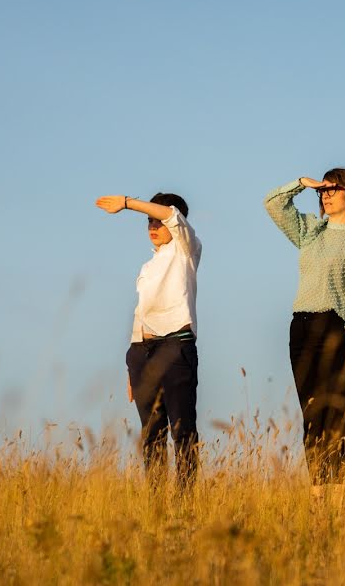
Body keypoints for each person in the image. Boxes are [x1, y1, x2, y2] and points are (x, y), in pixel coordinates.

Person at [264, 168, 345, 504]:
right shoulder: (310, 232)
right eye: (323, 190)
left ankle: (340, 496)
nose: (326, 194)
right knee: (311, 412)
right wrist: (300, 184)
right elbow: (273, 205)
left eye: (334, 188)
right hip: (301, 328)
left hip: (337, 328)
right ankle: (318, 494)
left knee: (336, 411)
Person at [95, 193, 202, 490]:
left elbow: (170, 215)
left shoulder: (186, 249)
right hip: (143, 351)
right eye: (149, 222)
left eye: (158, 221)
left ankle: (185, 503)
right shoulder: (147, 267)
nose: (153, 226)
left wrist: (128, 202)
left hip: (176, 346)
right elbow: (140, 313)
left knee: (182, 430)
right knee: (151, 432)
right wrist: (133, 365)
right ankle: (155, 504)